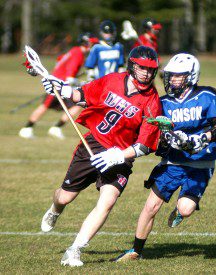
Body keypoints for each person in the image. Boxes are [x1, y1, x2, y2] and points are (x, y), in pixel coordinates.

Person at [39, 46, 162, 267]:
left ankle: (74, 250)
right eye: (141, 68)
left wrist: (118, 156)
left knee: (107, 201)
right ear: (132, 65)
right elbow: (84, 96)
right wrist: (63, 89)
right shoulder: (112, 80)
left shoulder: (153, 101)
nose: (146, 73)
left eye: (150, 70)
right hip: (93, 145)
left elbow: (145, 145)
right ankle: (55, 210)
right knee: (65, 197)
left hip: (121, 156)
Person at [113, 53, 216, 261]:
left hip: (200, 164)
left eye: (178, 76)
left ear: (191, 76)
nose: (172, 80)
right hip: (173, 162)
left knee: (186, 209)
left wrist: (202, 138)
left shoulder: (207, 95)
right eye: (171, 76)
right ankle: (135, 251)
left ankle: (179, 211)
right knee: (151, 205)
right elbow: (153, 135)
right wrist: (167, 140)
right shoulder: (163, 102)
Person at [19, 33, 98, 139]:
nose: (94, 46)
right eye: (92, 44)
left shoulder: (74, 50)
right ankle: (28, 129)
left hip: (57, 81)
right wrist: (83, 83)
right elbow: (69, 78)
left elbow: (60, 62)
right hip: (58, 84)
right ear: (87, 43)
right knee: (48, 106)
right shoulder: (78, 54)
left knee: (73, 106)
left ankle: (51, 128)